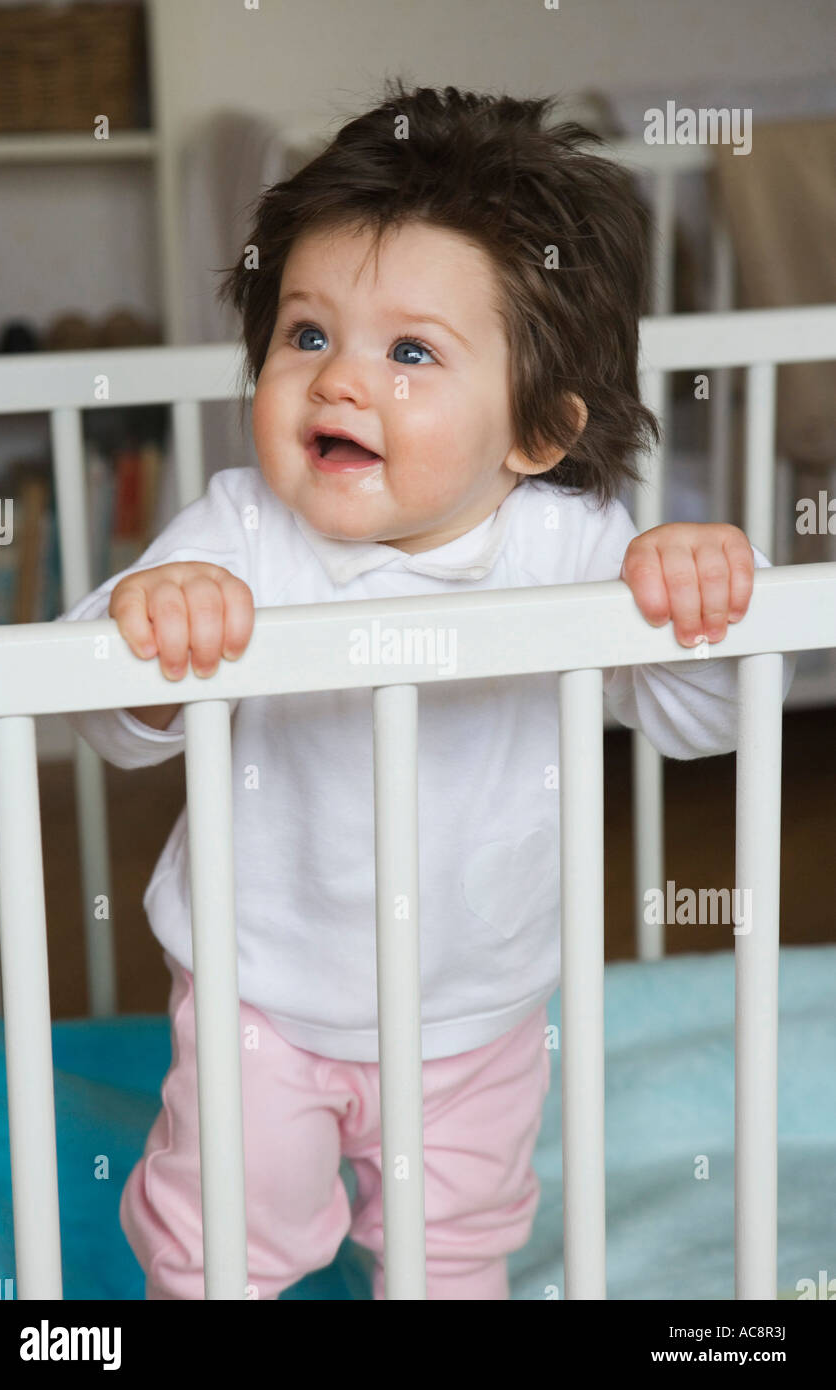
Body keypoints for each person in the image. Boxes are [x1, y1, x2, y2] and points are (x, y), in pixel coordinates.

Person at [58, 80, 796, 1300]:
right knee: (217, 1242)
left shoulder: (572, 543)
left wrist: (701, 588)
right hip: (263, 999)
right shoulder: (239, 533)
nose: (340, 381)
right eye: (306, 334)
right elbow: (102, 708)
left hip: (477, 1013)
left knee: (451, 1252)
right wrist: (152, 625)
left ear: (538, 435)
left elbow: (704, 711)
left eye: (409, 353)